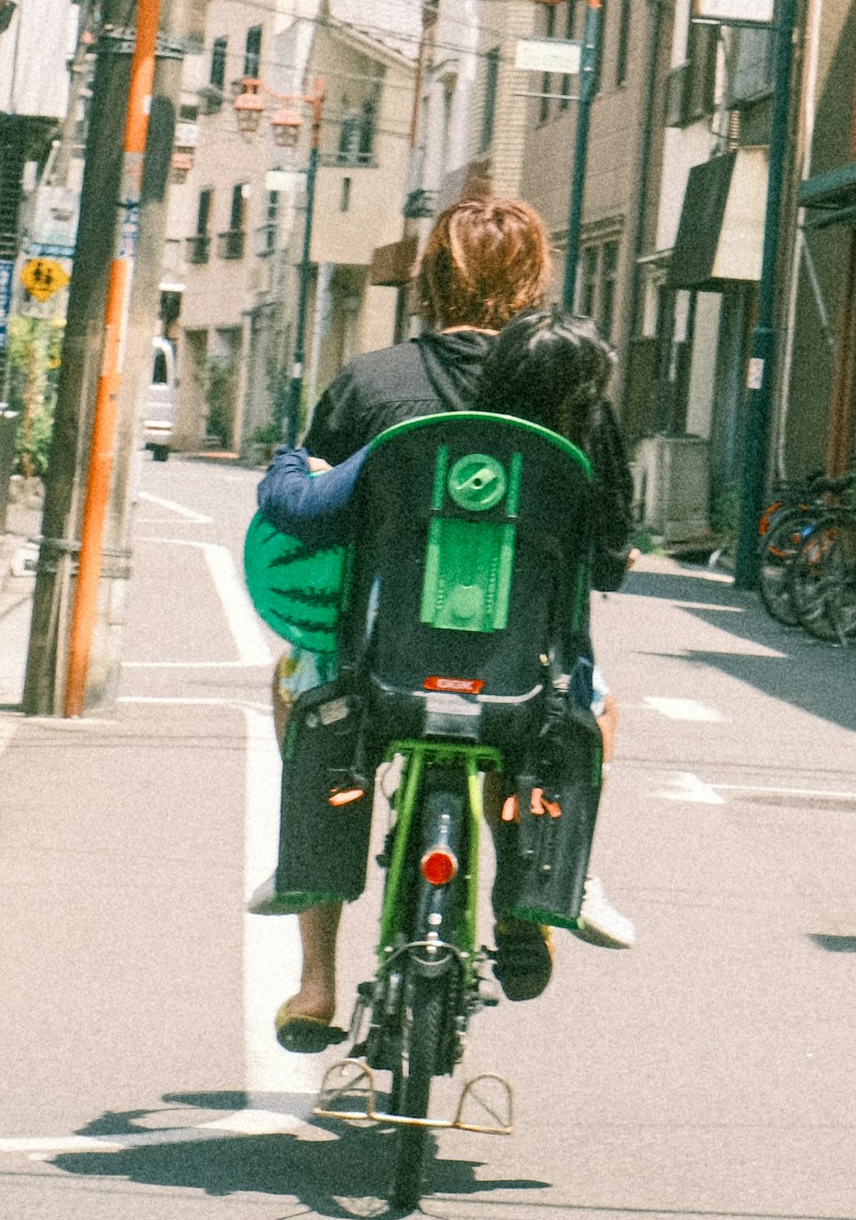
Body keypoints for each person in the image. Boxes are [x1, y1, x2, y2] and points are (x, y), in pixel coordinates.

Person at [258, 193, 636, 1050]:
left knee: (298, 693)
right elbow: (607, 557)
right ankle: (540, 887)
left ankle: (316, 981)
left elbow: (309, 521)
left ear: (429, 277)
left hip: (377, 665)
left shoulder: (372, 382)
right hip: (521, 673)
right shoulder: (572, 398)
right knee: (591, 713)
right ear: (534, 280)